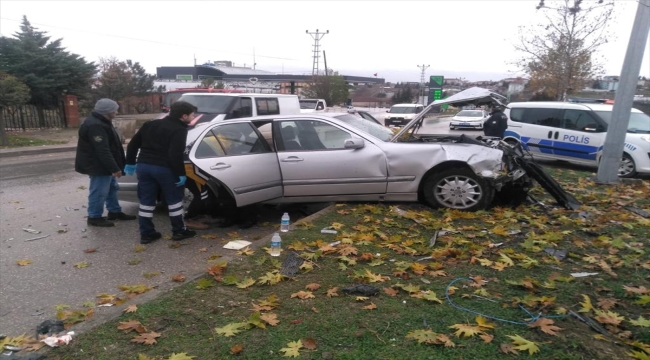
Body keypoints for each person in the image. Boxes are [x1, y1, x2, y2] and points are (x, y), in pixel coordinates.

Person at [125, 101, 198, 244]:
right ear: (183, 116)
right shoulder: (179, 129)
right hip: (164, 169)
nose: (193, 117)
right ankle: (179, 231)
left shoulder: (150, 124)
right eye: (192, 115)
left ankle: (146, 233)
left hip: (144, 167)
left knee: (146, 201)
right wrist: (180, 173)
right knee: (174, 201)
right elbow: (175, 154)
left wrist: (130, 162)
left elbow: (133, 144)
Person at [75, 98, 136, 227]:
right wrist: (114, 168)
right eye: (115, 109)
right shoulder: (96, 125)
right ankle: (94, 217)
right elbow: (102, 150)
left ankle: (114, 212)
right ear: (107, 111)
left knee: (112, 188)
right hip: (98, 165)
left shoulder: (103, 121)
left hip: (104, 164)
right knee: (99, 191)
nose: (117, 112)